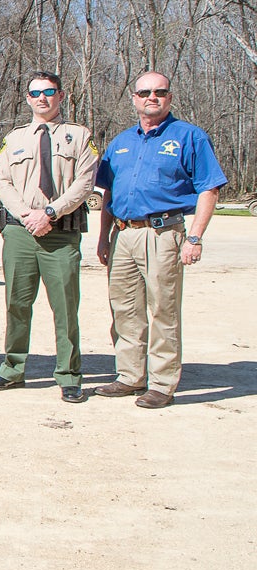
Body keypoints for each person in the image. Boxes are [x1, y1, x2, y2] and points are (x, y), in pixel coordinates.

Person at [89, 72, 226, 409]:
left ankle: (162, 383)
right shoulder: (121, 142)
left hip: (163, 234)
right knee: (124, 309)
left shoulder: (189, 137)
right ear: (134, 98)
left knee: (163, 309)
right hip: (122, 234)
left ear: (169, 97)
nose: (152, 97)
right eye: (145, 92)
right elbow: (108, 193)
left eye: (159, 92)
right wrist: (104, 237)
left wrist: (194, 237)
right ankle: (129, 375)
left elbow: (209, 188)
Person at [0, 71, 98, 403]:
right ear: (28, 99)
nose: (42, 98)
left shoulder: (79, 135)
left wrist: (50, 213)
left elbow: (84, 182)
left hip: (60, 234)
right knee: (17, 304)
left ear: (61, 95)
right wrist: (27, 215)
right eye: (35, 93)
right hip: (21, 233)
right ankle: (12, 368)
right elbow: (2, 183)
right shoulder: (14, 138)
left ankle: (69, 374)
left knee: (64, 307)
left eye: (49, 92)